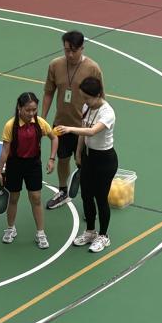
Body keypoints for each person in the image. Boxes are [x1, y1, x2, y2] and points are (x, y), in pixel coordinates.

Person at [40, 30, 103, 209]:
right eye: (66, 50)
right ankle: (63, 192)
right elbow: (48, 93)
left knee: (85, 163)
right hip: (61, 123)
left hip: (84, 127)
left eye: (73, 51)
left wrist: (98, 123)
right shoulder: (55, 65)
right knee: (63, 159)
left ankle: (90, 200)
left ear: (82, 48)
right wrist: (42, 120)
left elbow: (100, 98)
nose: (69, 54)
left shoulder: (93, 68)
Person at [53, 77, 116, 253]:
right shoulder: (86, 107)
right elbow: (84, 133)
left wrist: (70, 129)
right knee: (86, 195)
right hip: (89, 157)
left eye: (87, 98)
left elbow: (92, 131)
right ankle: (90, 231)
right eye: (83, 97)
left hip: (105, 160)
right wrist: (79, 152)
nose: (85, 101)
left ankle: (103, 236)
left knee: (100, 198)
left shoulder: (107, 113)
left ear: (98, 95)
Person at [0, 91, 58, 249]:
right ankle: (11, 228)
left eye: (34, 110)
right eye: (28, 110)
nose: (31, 113)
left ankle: (40, 233)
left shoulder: (40, 123)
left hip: (33, 165)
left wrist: (52, 159)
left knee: (36, 198)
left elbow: (54, 138)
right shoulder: (10, 126)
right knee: (13, 198)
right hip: (14, 165)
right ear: (19, 107)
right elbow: (5, 150)